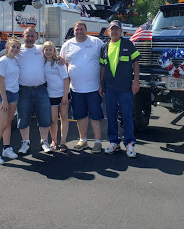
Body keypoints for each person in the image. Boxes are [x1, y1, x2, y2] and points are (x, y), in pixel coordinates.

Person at [60, 21, 104, 153]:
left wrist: (102, 84)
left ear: (86, 30)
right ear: (73, 31)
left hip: (94, 88)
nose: (79, 32)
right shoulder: (68, 45)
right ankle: (83, 140)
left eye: (81, 29)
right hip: (76, 89)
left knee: (95, 116)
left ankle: (97, 142)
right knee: (80, 116)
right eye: (77, 30)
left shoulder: (96, 42)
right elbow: (61, 63)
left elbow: (104, 63)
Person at [99, 20, 140, 158]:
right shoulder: (104, 47)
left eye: (117, 29)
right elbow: (103, 68)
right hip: (110, 88)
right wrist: (100, 84)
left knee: (127, 116)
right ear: (109, 32)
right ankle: (113, 142)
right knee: (110, 116)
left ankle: (129, 143)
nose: (114, 31)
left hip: (125, 88)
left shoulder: (128, 44)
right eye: (112, 29)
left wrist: (136, 81)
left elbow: (136, 63)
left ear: (121, 31)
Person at [15, 27, 53, 154]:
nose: (30, 38)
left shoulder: (41, 49)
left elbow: (54, 55)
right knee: (23, 118)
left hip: (41, 89)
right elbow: (6, 57)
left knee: (44, 117)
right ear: (23, 36)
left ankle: (44, 142)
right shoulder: (17, 50)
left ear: (36, 36)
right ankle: (25, 142)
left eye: (32, 36)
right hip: (23, 90)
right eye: (27, 36)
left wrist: (61, 59)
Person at [0, 37, 21, 165]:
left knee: (8, 123)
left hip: (14, 94)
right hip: (3, 95)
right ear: (7, 47)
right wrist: (4, 100)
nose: (15, 49)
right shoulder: (2, 61)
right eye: (13, 47)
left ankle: (7, 148)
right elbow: (1, 82)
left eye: (17, 47)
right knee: (2, 124)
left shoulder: (16, 61)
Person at [42, 41, 71, 152]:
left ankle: (62, 142)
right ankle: (53, 141)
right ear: (43, 51)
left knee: (63, 117)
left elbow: (66, 79)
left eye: (51, 49)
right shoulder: (42, 62)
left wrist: (64, 96)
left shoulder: (59, 63)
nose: (48, 52)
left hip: (63, 93)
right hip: (51, 94)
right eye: (46, 49)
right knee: (53, 119)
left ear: (54, 51)